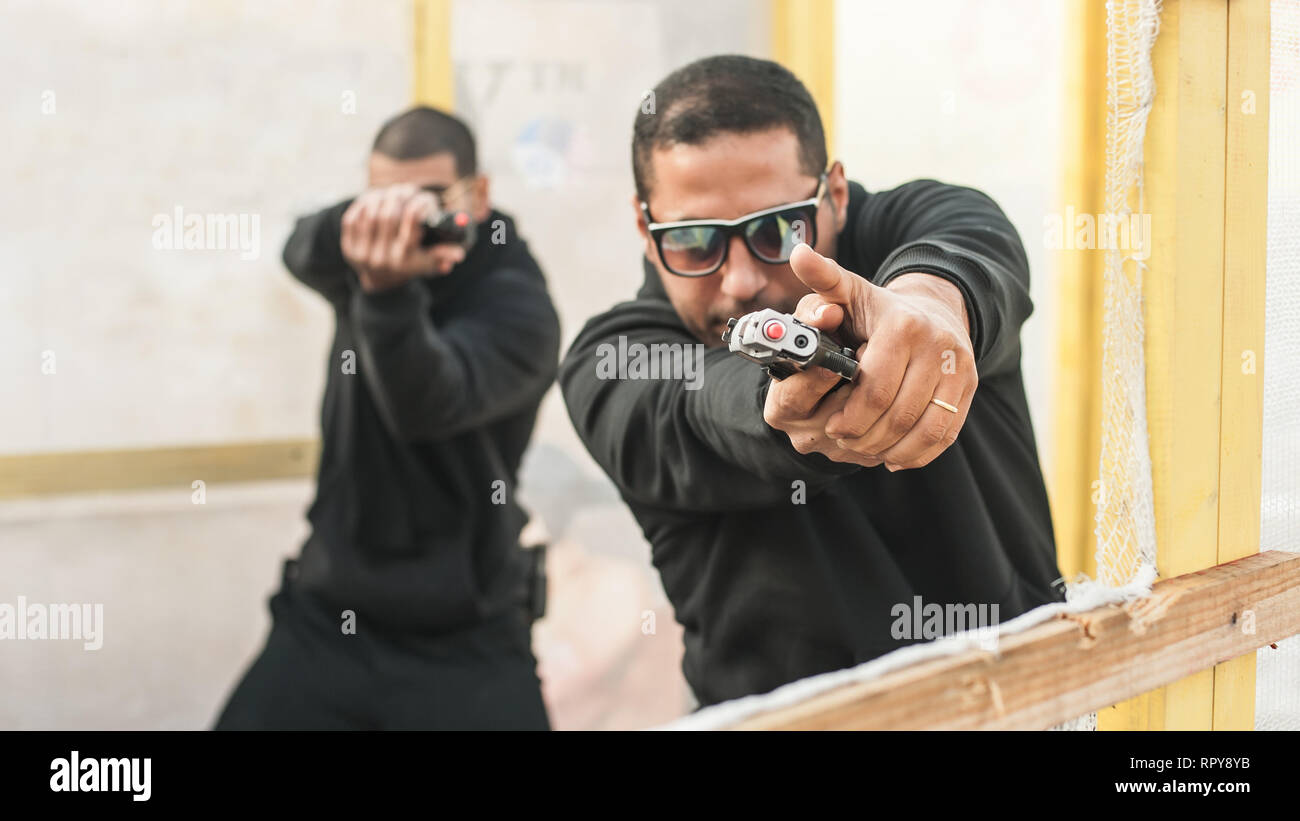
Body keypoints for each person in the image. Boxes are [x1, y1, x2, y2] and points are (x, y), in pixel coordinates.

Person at [559, 56, 1065, 708]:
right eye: (693, 240)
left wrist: (930, 315)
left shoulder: (924, 222)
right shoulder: (614, 360)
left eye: (777, 230)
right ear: (644, 226)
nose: (739, 280)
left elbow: (961, 254)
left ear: (836, 193)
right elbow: (702, 406)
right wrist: (783, 397)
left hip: (1021, 706)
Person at [216, 107, 560, 730]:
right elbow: (299, 248)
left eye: (429, 202)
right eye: (387, 202)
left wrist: (385, 291)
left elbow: (426, 405)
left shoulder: (516, 301)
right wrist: (360, 227)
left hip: (466, 641)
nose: (409, 224)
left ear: (477, 195)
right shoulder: (365, 256)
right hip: (330, 620)